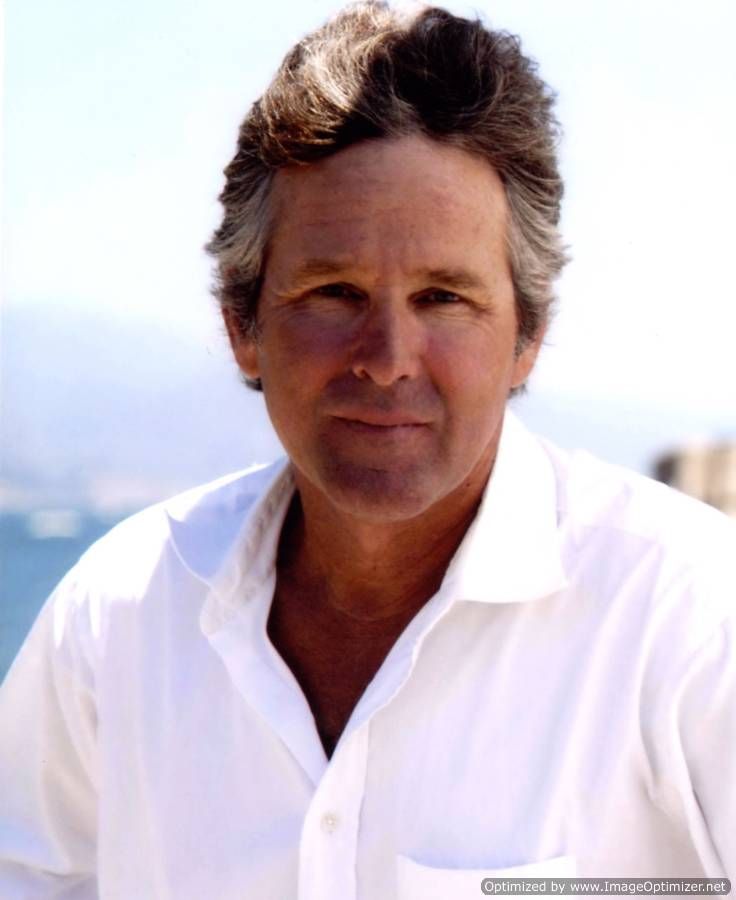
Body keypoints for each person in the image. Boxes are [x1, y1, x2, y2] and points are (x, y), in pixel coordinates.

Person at [1, 3, 734, 898]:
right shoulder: (114, 622)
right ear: (241, 327)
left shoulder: (692, 620)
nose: (387, 359)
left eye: (443, 298)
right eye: (334, 292)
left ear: (528, 336)